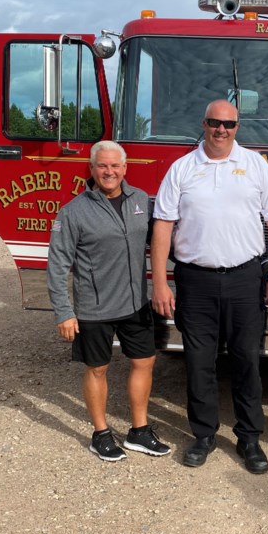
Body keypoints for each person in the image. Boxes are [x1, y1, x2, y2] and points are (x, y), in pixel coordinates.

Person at [151, 99, 268, 474]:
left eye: (228, 124)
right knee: (199, 363)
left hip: (246, 279)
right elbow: (163, 224)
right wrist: (161, 282)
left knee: (247, 360)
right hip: (194, 281)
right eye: (214, 123)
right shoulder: (182, 169)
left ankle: (249, 438)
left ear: (237, 127)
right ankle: (203, 435)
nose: (221, 130)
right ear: (204, 123)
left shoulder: (255, 165)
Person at [46, 140, 171, 462]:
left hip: (135, 304)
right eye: (102, 166)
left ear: (125, 168)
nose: (109, 171)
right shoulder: (73, 212)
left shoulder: (141, 200)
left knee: (144, 362)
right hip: (94, 308)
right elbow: (57, 264)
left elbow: (162, 238)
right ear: (92, 169)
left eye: (115, 165)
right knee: (97, 369)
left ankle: (139, 431)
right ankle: (100, 433)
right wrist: (64, 312)